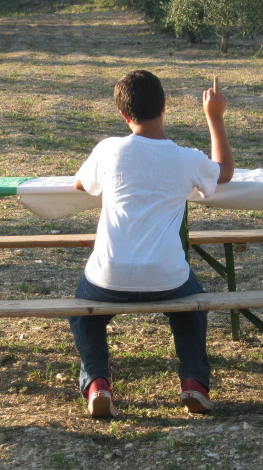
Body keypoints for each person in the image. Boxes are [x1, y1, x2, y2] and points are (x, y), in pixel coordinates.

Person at [70, 70, 234, 418]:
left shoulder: (109, 149)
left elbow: (81, 184)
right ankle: (194, 382)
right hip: (167, 278)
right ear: (165, 106)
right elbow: (224, 171)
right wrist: (214, 117)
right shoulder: (187, 158)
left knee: (83, 312)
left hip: (109, 278)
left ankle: (97, 382)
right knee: (191, 309)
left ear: (123, 115)